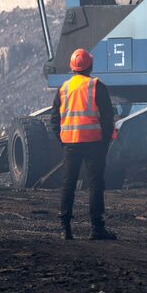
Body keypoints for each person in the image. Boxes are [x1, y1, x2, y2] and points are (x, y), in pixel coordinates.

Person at [48, 47, 117, 240]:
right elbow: (107, 118)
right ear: (91, 66)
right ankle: (96, 228)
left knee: (68, 184)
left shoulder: (64, 88)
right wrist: (104, 142)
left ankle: (65, 228)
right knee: (95, 184)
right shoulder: (96, 86)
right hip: (94, 143)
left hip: (71, 144)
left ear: (72, 68)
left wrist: (63, 140)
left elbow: (54, 120)